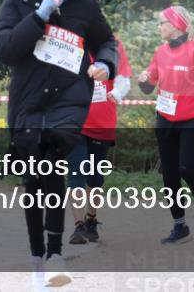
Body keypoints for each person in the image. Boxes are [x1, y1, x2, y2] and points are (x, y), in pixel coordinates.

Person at [0, 0, 119, 287]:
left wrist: (105, 64)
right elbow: (5, 50)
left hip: (69, 96)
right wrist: (39, 16)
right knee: (34, 177)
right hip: (29, 99)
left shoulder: (84, 1)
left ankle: (55, 254)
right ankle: (40, 256)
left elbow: (106, 41)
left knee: (53, 151)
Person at [138, 6, 194, 244]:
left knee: (187, 168)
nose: (159, 26)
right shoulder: (160, 52)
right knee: (169, 174)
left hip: (192, 120)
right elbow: (148, 88)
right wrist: (143, 81)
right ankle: (180, 227)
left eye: (162, 22)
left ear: (176, 25)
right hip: (165, 120)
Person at [67, 38, 132, 244]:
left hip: (102, 122)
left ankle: (91, 219)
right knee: (75, 172)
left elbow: (124, 78)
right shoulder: (71, 40)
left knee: (95, 177)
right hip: (74, 121)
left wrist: (117, 92)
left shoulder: (113, 45)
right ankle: (78, 226)